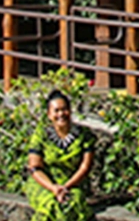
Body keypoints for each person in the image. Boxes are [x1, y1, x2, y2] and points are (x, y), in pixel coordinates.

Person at [23, 89, 94, 221]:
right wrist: (53, 188)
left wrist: (65, 187)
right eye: (56, 110)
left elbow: (85, 167)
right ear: (49, 114)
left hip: (73, 184)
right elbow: (35, 168)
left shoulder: (84, 135)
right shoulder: (41, 135)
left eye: (65, 109)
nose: (61, 114)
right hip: (44, 184)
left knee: (72, 204)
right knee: (50, 204)